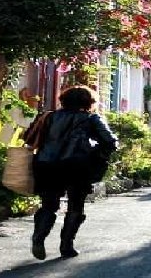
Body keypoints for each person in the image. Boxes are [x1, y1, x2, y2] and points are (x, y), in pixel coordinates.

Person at [31, 86, 118, 260]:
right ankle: (66, 246)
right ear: (88, 102)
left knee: (49, 204)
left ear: (63, 100)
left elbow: (30, 137)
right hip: (77, 166)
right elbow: (110, 142)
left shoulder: (49, 116)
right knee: (75, 205)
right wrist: (95, 153)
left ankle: (38, 237)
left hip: (46, 164)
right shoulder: (91, 119)